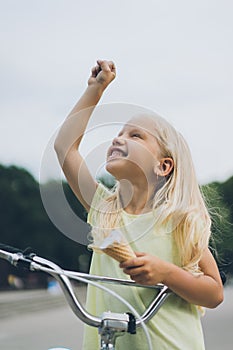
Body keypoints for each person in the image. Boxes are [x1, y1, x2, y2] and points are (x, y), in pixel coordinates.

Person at [54, 60, 224, 349]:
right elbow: (65, 148)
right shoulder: (103, 210)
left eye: (135, 135)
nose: (118, 139)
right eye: (118, 133)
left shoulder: (177, 219)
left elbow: (214, 292)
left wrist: (167, 273)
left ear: (163, 166)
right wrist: (96, 90)